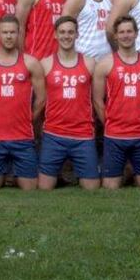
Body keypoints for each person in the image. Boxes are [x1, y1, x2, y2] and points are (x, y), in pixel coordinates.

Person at [0, 15, 45, 191]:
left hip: (22, 137)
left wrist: (29, 119)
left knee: (30, 188)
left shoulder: (31, 63)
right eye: (5, 32)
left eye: (13, 32)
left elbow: (42, 99)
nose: (9, 36)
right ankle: (3, 174)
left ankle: (13, 174)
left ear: (19, 33)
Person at [93, 16, 140, 189]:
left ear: (136, 33)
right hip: (115, 135)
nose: (126, 35)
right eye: (121, 32)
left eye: (129, 31)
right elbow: (98, 100)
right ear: (115, 36)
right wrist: (109, 122)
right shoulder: (105, 64)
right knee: (110, 187)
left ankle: (133, 172)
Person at [38, 16, 100, 190]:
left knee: (92, 187)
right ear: (55, 35)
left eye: (71, 32)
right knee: (44, 188)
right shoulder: (45, 64)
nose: (67, 36)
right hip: (53, 134)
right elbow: (40, 99)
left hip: (83, 134)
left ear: (77, 34)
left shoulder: (90, 63)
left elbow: (97, 98)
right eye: (62, 32)